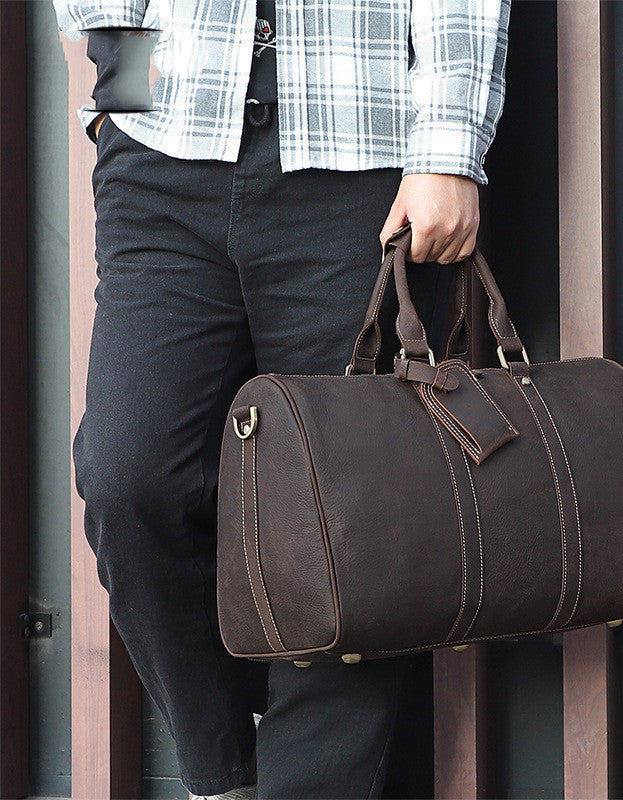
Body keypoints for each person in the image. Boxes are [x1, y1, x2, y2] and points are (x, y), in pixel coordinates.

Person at [52, 1, 511, 797]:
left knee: (351, 520)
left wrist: (448, 146)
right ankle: (220, 772)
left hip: (358, 160)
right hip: (165, 150)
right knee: (130, 476)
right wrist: (113, 95)